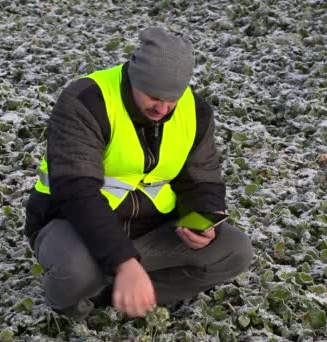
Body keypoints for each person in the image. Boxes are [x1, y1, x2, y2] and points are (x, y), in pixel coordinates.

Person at [25, 27, 253, 320]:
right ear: (134, 78)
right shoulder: (85, 102)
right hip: (72, 224)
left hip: (152, 228)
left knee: (235, 250)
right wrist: (124, 262)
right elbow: (77, 193)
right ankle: (74, 310)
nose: (163, 107)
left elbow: (203, 179)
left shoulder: (195, 112)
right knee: (77, 271)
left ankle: (119, 298)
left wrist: (204, 218)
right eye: (154, 96)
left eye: (172, 98)